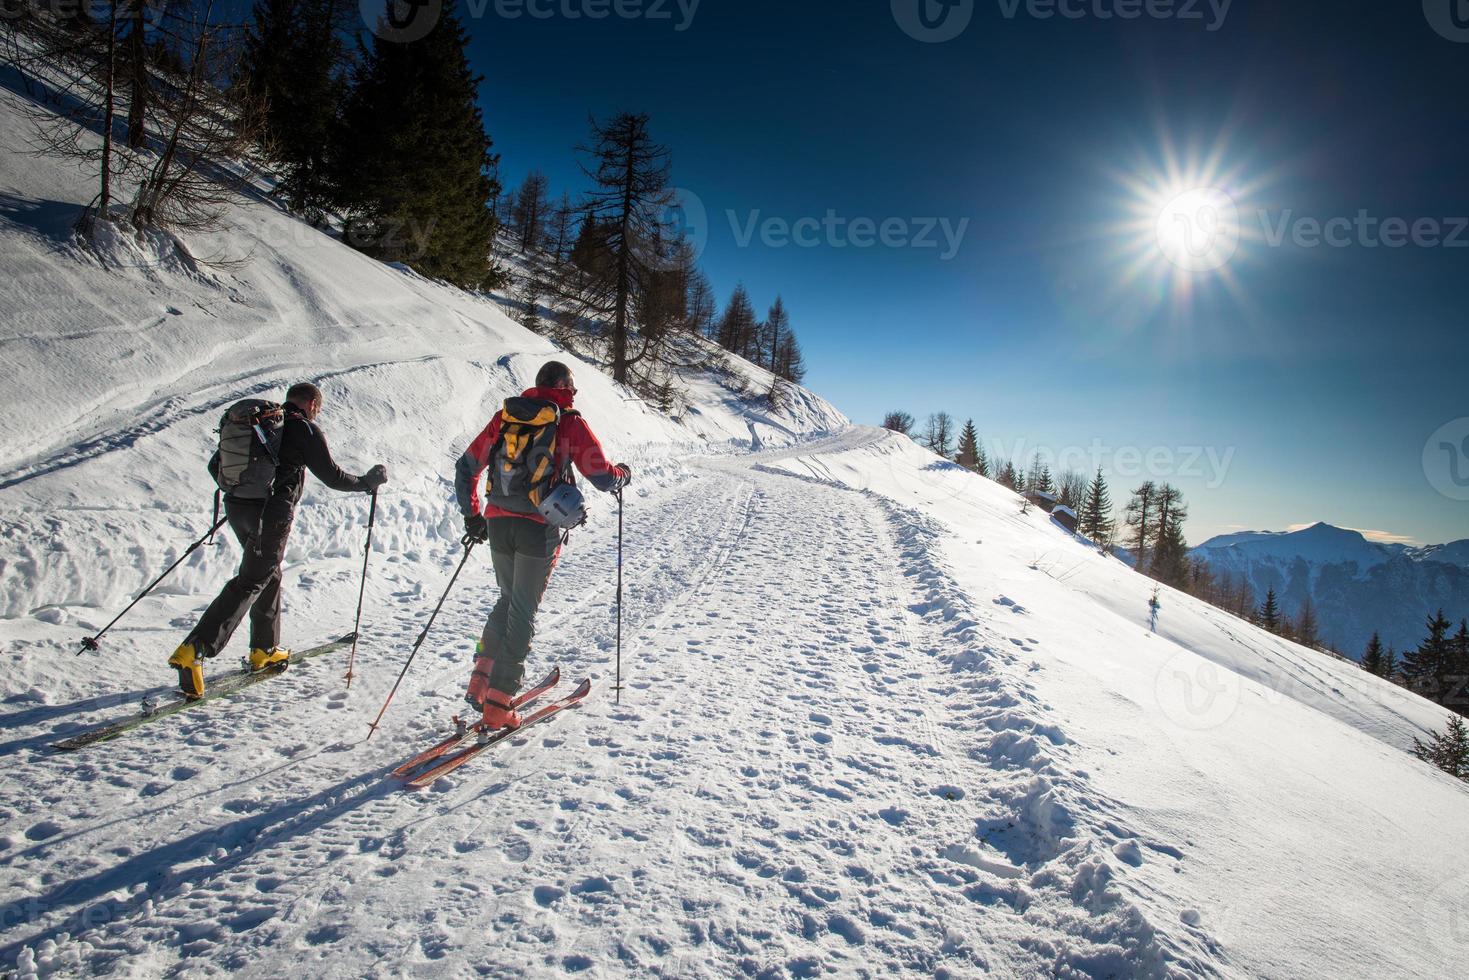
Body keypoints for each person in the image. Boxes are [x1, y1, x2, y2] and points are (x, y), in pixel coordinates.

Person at [169, 382, 387, 698]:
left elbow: (214, 465)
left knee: (268, 572)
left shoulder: (262, 423)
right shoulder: (302, 429)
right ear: (313, 403)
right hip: (269, 514)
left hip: (237, 507)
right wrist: (367, 482)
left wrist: (243, 492)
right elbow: (333, 476)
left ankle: (264, 649)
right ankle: (195, 649)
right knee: (253, 579)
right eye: (318, 409)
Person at [455, 361, 629, 730]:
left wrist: (474, 516)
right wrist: (622, 476)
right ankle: (500, 704)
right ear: (565, 387)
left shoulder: (506, 417)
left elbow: (466, 466)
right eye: (573, 388)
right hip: (538, 528)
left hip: (498, 521)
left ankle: (480, 680)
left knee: (506, 601)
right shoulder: (567, 420)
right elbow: (599, 475)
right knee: (523, 611)